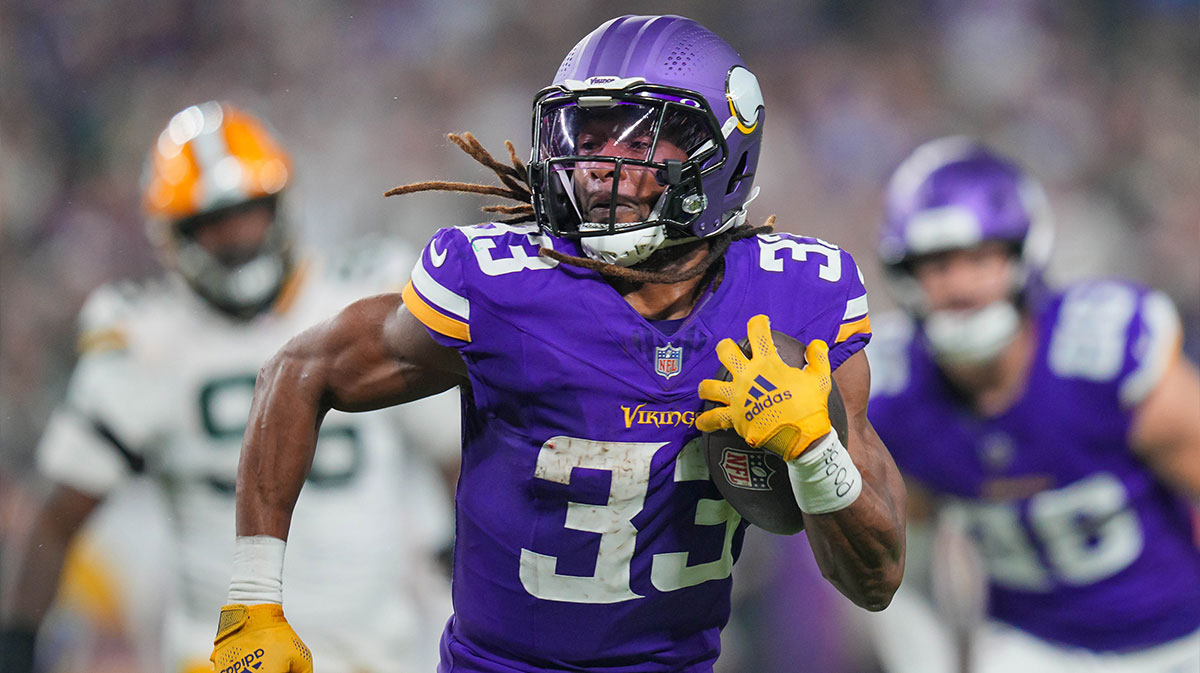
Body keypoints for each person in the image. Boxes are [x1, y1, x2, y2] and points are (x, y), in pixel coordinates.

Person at [208, 14, 907, 673]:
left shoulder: (797, 302)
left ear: (722, 153)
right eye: (589, 135)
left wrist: (817, 456)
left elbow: (876, 579)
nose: (600, 164)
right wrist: (252, 599)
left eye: (638, 141)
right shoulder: (502, 287)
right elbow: (300, 370)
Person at [0, 101, 457, 673]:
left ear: (281, 205)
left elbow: (454, 448)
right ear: (170, 235)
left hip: (375, 652)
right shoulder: (146, 340)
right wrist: (16, 643)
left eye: (246, 213)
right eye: (211, 224)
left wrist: (469, 536)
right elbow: (58, 512)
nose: (236, 238)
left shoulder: (360, 294)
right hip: (222, 656)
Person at [864, 137, 1200, 673]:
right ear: (905, 275)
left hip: (1183, 639)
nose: (960, 286)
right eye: (937, 265)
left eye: (980, 257)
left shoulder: (1103, 354)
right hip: (1035, 652)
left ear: (1023, 254)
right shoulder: (895, 394)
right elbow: (897, 574)